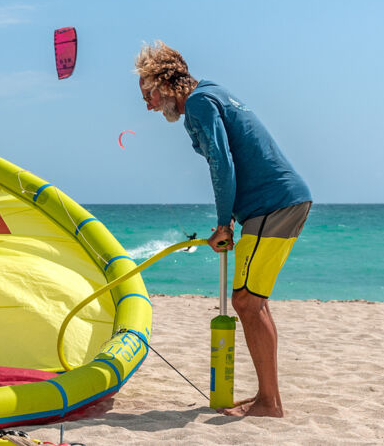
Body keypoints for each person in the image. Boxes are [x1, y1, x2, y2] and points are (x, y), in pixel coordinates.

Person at [134, 41, 312, 418]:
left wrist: (221, 223)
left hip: (272, 204)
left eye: (148, 94)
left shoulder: (199, 102)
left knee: (246, 301)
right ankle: (269, 400)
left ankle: (269, 403)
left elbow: (221, 161)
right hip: (282, 202)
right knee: (252, 301)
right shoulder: (213, 91)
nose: (147, 105)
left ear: (166, 84)